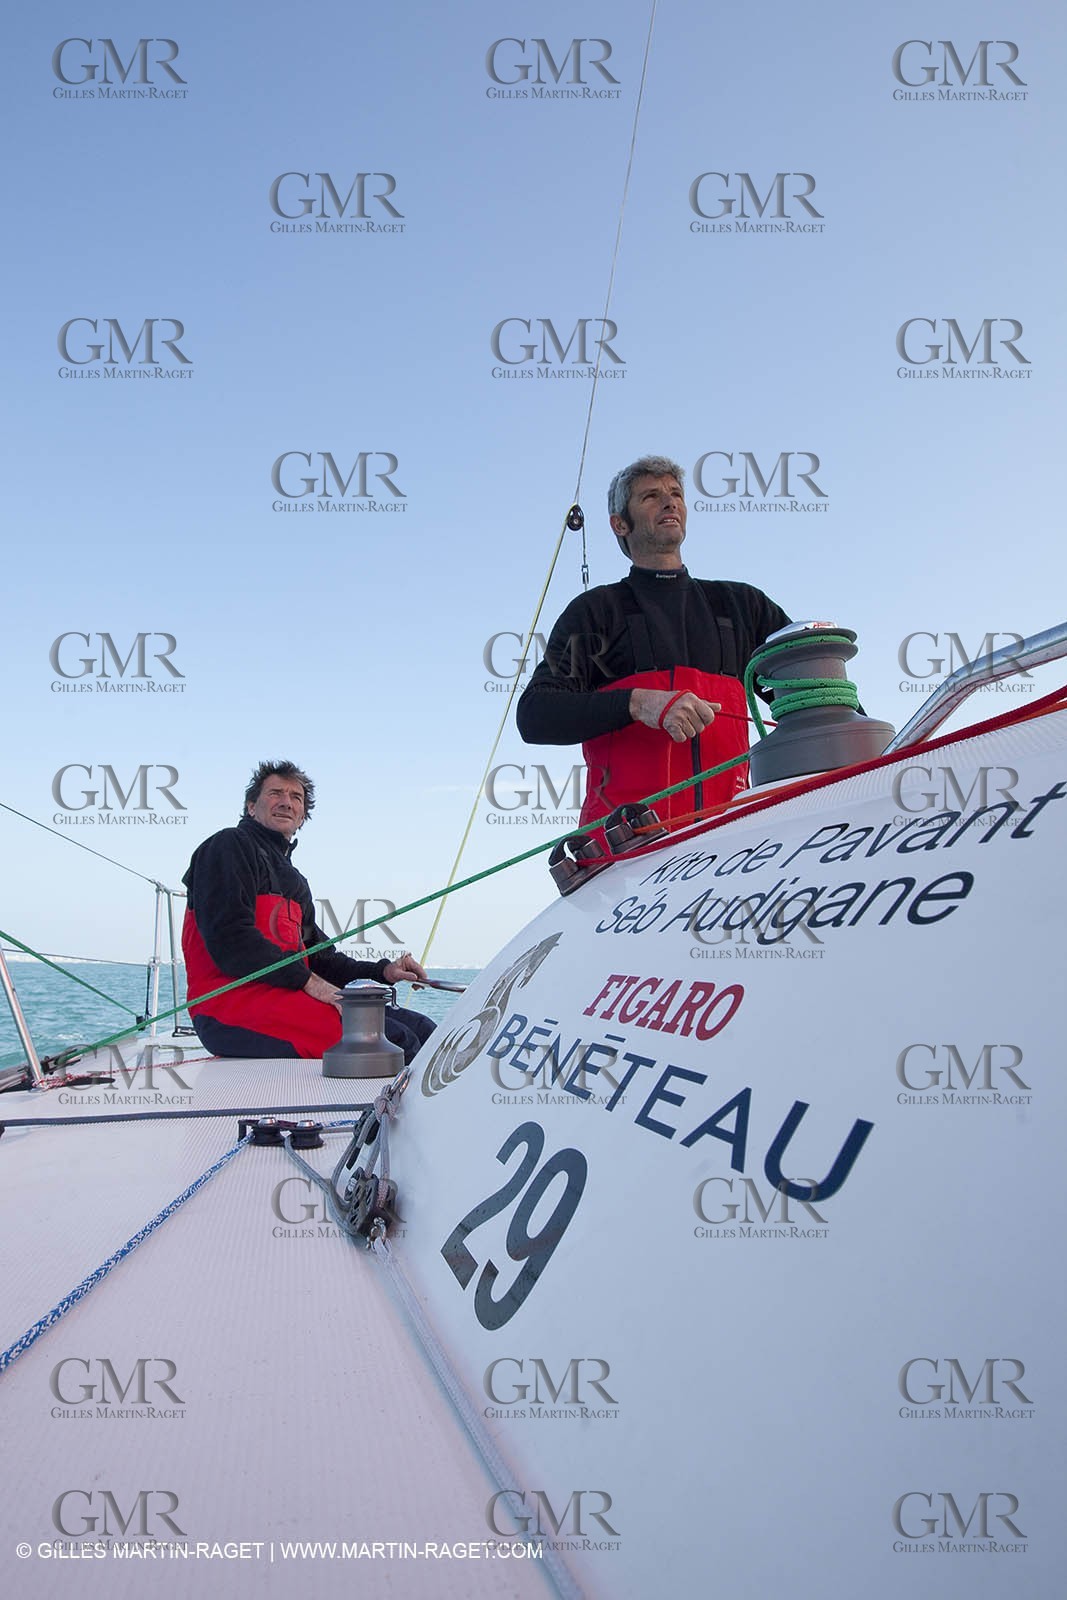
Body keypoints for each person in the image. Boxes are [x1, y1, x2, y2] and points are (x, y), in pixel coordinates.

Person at [516, 454, 791, 825]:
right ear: (620, 524)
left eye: (675, 493)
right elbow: (535, 715)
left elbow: (809, 694)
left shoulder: (742, 605)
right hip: (624, 857)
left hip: (731, 845)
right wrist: (638, 704)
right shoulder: (596, 611)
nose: (669, 501)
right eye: (650, 496)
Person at [181, 760, 435, 1062]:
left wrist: (383, 971)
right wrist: (314, 986)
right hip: (228, 1008)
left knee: (424, 1029)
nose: (286, 802)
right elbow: (231, 940)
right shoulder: (228, 846)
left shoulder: (295, 881)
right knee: (395, 1042)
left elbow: (320, 958)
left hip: (286, 999)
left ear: (303, 816)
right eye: (275, 793)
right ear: (251, 806)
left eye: (296, 797)